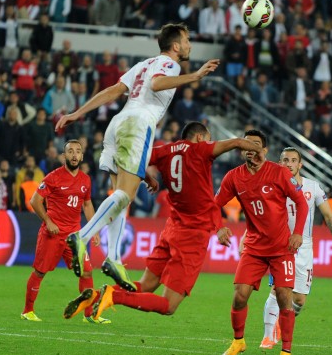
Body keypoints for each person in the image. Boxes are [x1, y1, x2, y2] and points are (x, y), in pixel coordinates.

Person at [55, 23, 220, 292]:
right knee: (125, 195)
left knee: (120, 196)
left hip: (118, 122)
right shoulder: (171, 64)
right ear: (175, 46)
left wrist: (77, 113)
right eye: (187, 40)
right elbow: (157, 84)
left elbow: (113, 90)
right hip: (139, 124)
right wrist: (195, 76)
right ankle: (81, 237)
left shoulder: (143, 64)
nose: (190, 45)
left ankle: (113, 258)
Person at [62, 122, 260, 321]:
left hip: (172, 229)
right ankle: (113, 296)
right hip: (192, 235)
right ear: (200, 138)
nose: (210, 142)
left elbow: (135, 161)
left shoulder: (165, 150)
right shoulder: (200, 149)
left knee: (145, 285)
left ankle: (95, 295)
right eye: (208, 139)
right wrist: (258, 150)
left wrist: (148, 178)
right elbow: (235, 142)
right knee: (168, 305)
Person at [214, 129, 308, 355]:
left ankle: (285, 354)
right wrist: (218, 227)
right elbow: (214, 205)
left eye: (255, 144)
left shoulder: (279, 172)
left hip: (281, 247)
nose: (250, 148)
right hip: (254, 247)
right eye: (246, 144)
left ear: (264, 150)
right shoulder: (234, 177)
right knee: (239, 296)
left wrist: (297, 232)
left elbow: (301, 202)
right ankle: (238, 341)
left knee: (285, 297)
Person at [259, 147, 332, 349]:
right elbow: (261, 214)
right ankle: (268, 336)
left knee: (299, 299)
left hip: (304, 246)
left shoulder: (313, 187)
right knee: (278, 289)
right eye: (285, 160)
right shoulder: (272, 186)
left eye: (293, 160)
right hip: (280, 244)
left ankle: (280, 324)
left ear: (300, 164)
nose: (289, 163)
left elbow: (328, 215)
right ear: (280, 163)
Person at [21, 140, 109, 324]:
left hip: (74, 236)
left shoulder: (86, 180)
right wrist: (48, 221)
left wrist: (94, 229)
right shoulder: (53, 177)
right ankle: (28, 311)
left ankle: (89, 315)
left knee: (86, 272)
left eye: (78, 151)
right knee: (40, 272)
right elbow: (35, 201)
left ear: (82, 156)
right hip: (52, 234)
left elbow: (87, 205)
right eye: (70, 151)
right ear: (64, 156)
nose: (74, 155)